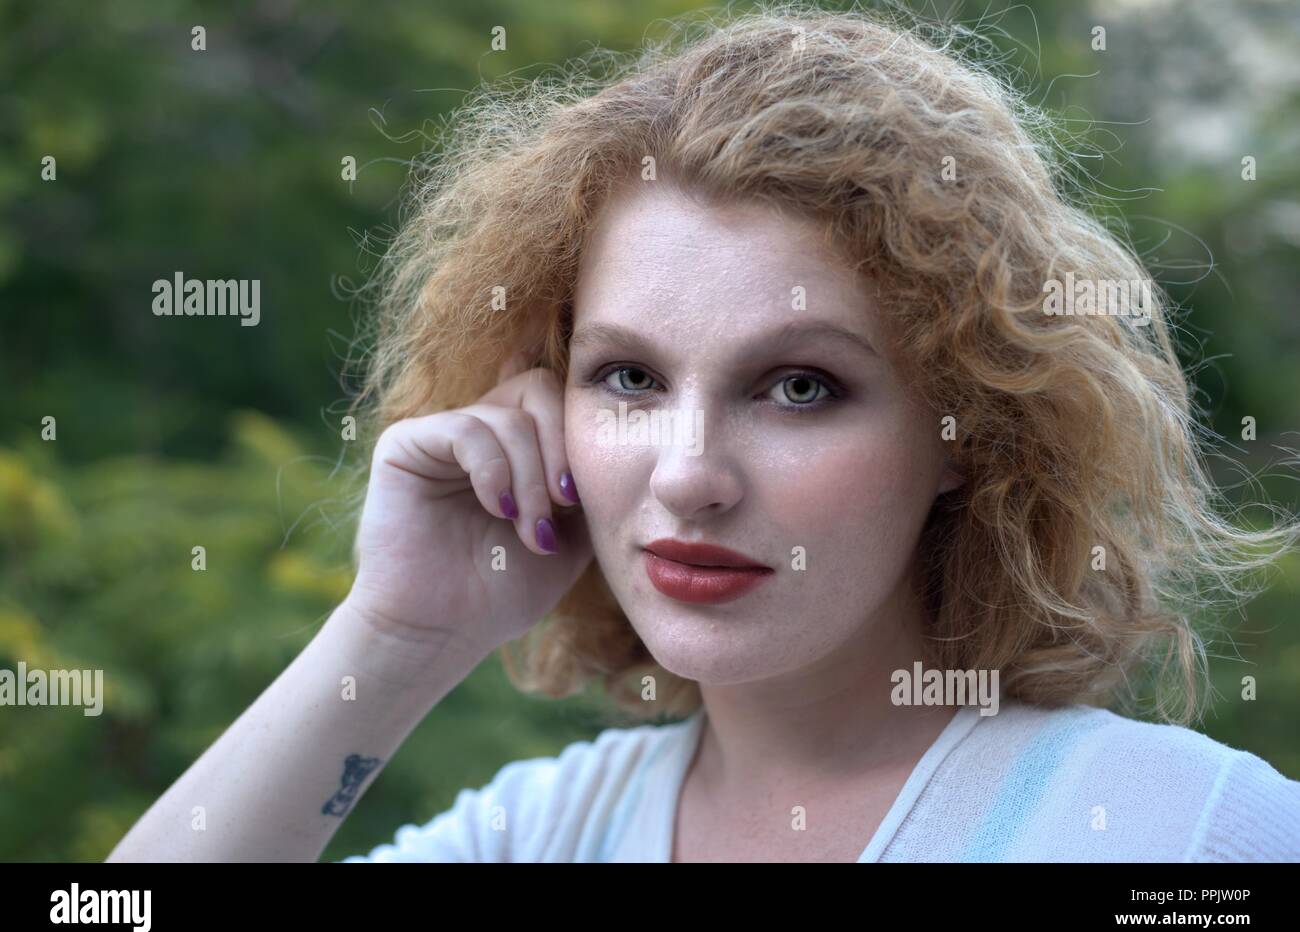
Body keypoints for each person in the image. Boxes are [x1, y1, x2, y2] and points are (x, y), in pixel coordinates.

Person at [108, 4, 1300, 863]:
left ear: (963, 429)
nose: (687, 475)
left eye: (797, 388)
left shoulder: (1183, 830)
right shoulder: (538, 832)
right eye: (627, 375)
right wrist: (397, 632)